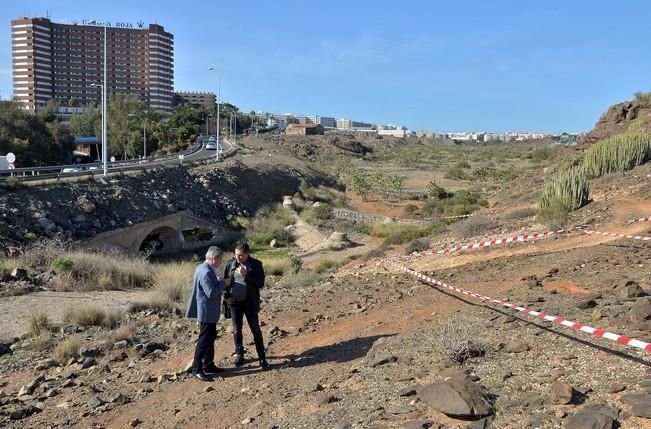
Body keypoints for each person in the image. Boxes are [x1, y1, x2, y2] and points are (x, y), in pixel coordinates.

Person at [223, 242, 270, 371]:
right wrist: (227, 297)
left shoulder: (256, 264)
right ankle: (240, 355)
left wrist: (246, 275)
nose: (238, 258)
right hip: (235, 302)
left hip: (250, 302)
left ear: (247, 254)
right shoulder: (230, 264)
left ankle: (262, 358)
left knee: (255, 329)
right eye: (236, 255)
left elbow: (260, 283)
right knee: (237, 330)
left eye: (241, 255)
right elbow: (224, 283)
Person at [185, 246, 230, 381]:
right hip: (206, 312)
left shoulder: (202, 268)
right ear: (214, 259)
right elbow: (211, 292)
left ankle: (208, 364)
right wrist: (224, 283)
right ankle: (197, 369)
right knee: (204, 341)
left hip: (207, 311)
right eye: (220, 260)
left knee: (210, 338)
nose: (220, 262)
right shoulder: (205, 272)